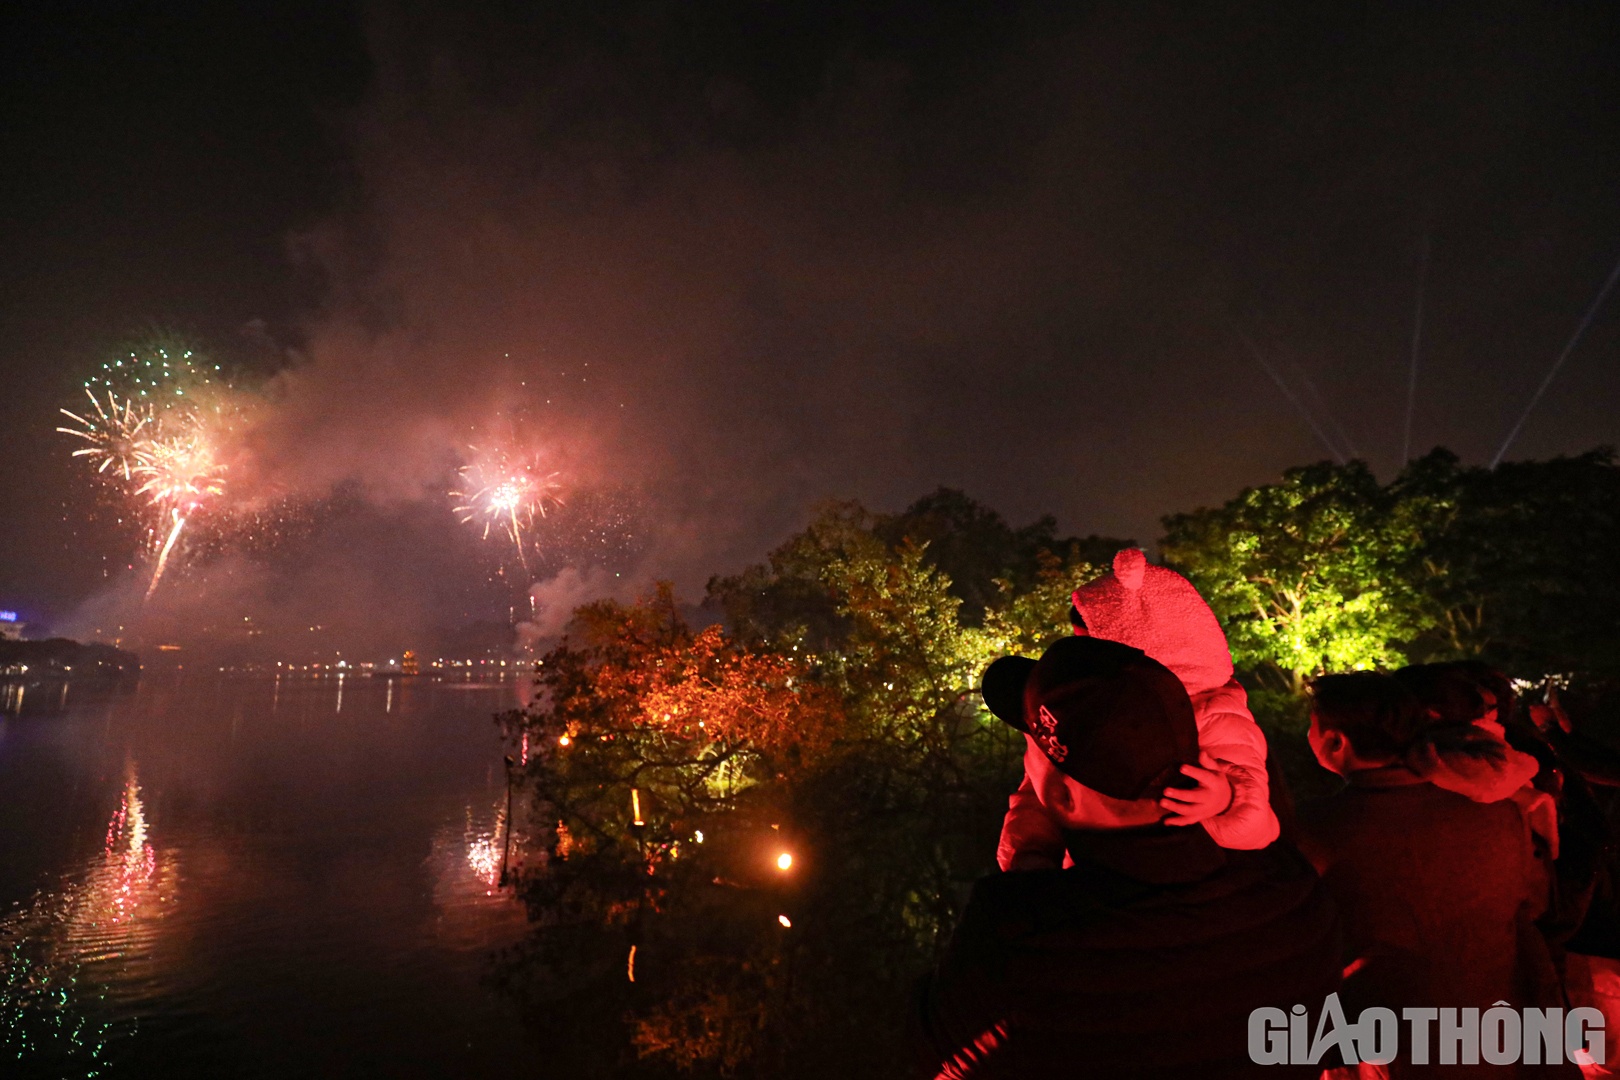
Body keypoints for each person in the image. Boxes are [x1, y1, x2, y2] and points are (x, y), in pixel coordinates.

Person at [912, 636, 1341, 1079]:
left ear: (1061, 793)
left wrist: (1027, 874)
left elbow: (939, 1058)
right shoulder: (1296, 893)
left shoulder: (1018, 939)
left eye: (1032, 755)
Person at [1297, 672, 1577, 1078]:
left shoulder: (1314, 829)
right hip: (1506, 1026)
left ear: (1335, 741)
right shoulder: (1498, 808)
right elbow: (1534, 901)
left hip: (1394, 1041)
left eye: (1312, 726)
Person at [996, 548, 1278, 872]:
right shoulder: (1082, 709)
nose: (1082, 664)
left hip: (1172, 880)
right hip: (1088, 877)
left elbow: (1262, 827)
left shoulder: (1214, 716)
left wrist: (1226, 800)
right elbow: (1038, 788)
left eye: (1092, 648)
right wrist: (1030, 851)